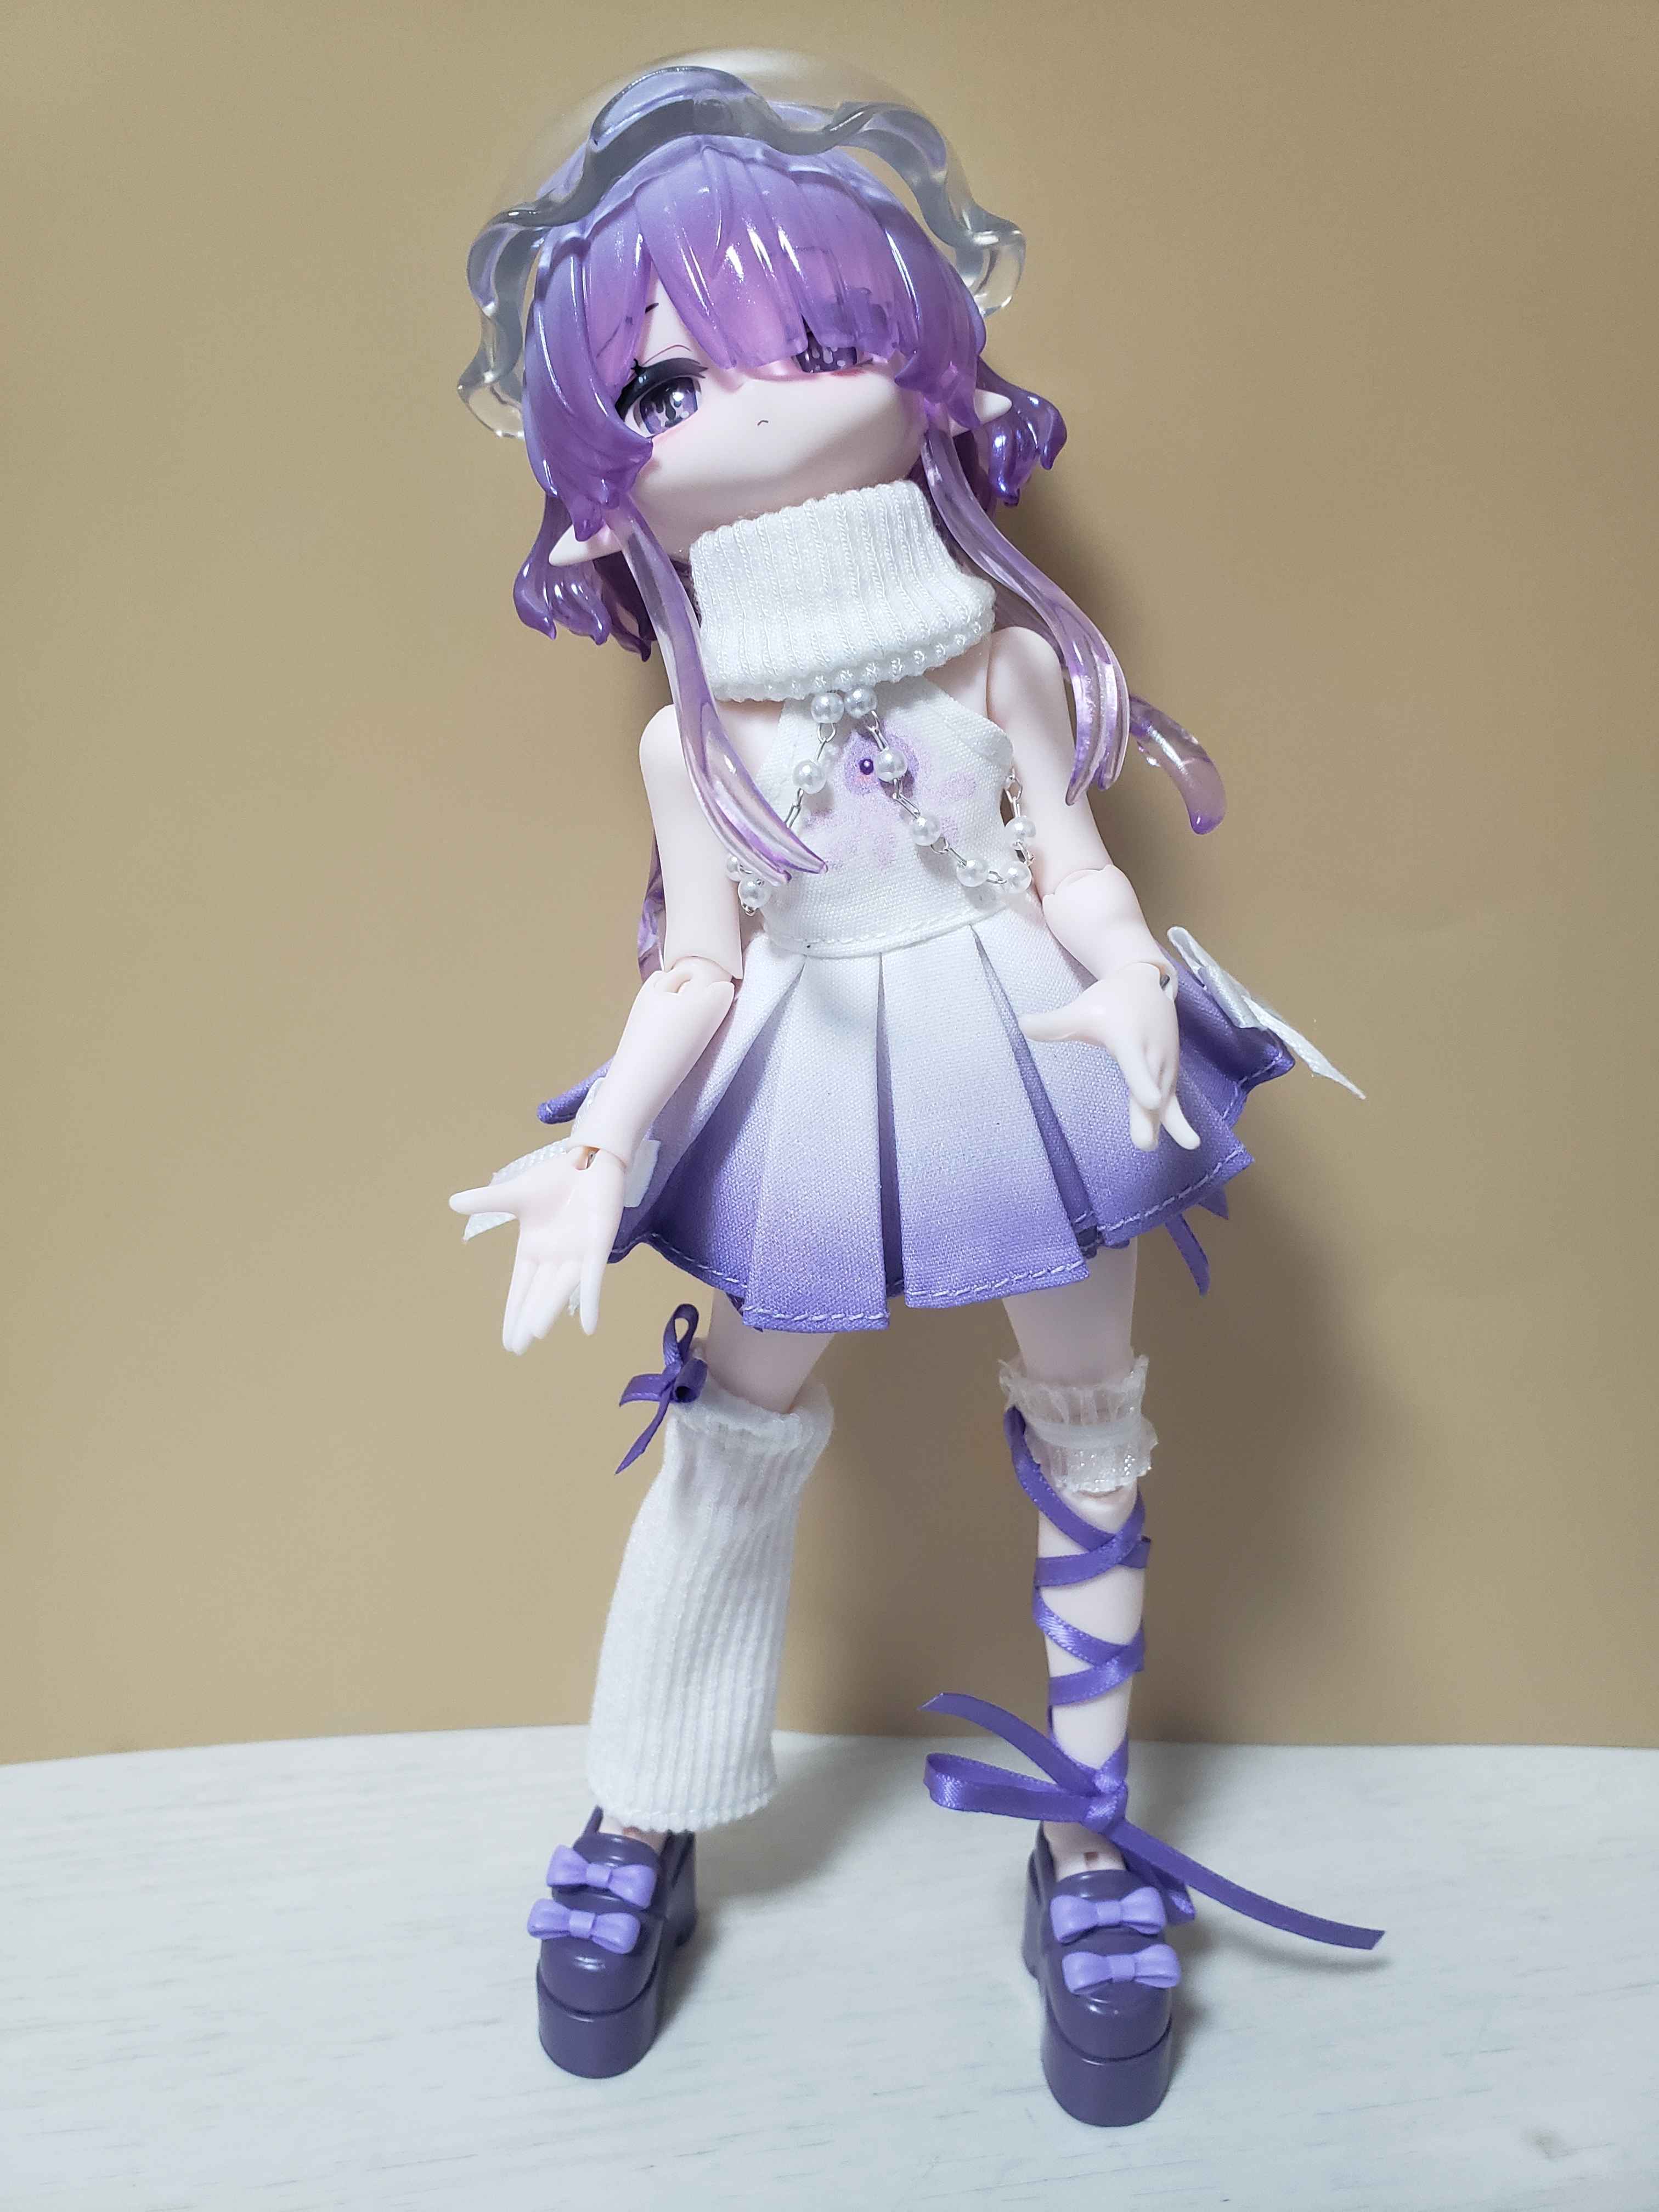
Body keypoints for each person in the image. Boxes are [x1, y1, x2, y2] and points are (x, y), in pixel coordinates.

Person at [450, 57, 1379, 2123]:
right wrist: (600, 1144)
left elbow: (1075, 865)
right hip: (812, 1067)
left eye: (820, 334)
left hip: (1028, 1058)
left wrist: (1129, 979)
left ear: (924, 356)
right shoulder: (692, 738)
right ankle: (643, 1802)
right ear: (602, 473)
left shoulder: (998, 656)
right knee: (733, 1426)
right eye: (670, 387)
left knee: (1092, 1420)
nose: (760, 406)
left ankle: (1087, 1839)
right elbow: (702, 963)